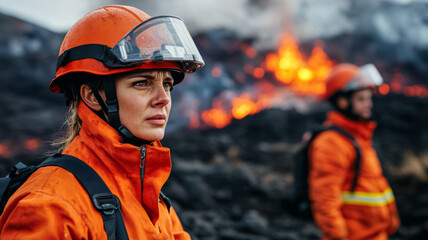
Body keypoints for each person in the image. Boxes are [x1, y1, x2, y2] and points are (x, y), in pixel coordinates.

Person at [0, 5, 204, 239]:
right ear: (91, 96)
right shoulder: (51, 206)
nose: (163, 99)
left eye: (167, 84)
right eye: (141, 83)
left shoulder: (152, 199)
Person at [308, 63, 400, 240]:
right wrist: (338, 235)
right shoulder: (332, 143)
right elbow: (325, 202)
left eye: (369, 98)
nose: (369, 104)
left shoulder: (358, 138)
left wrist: (390, 222)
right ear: (342, 102)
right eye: (361, 99)